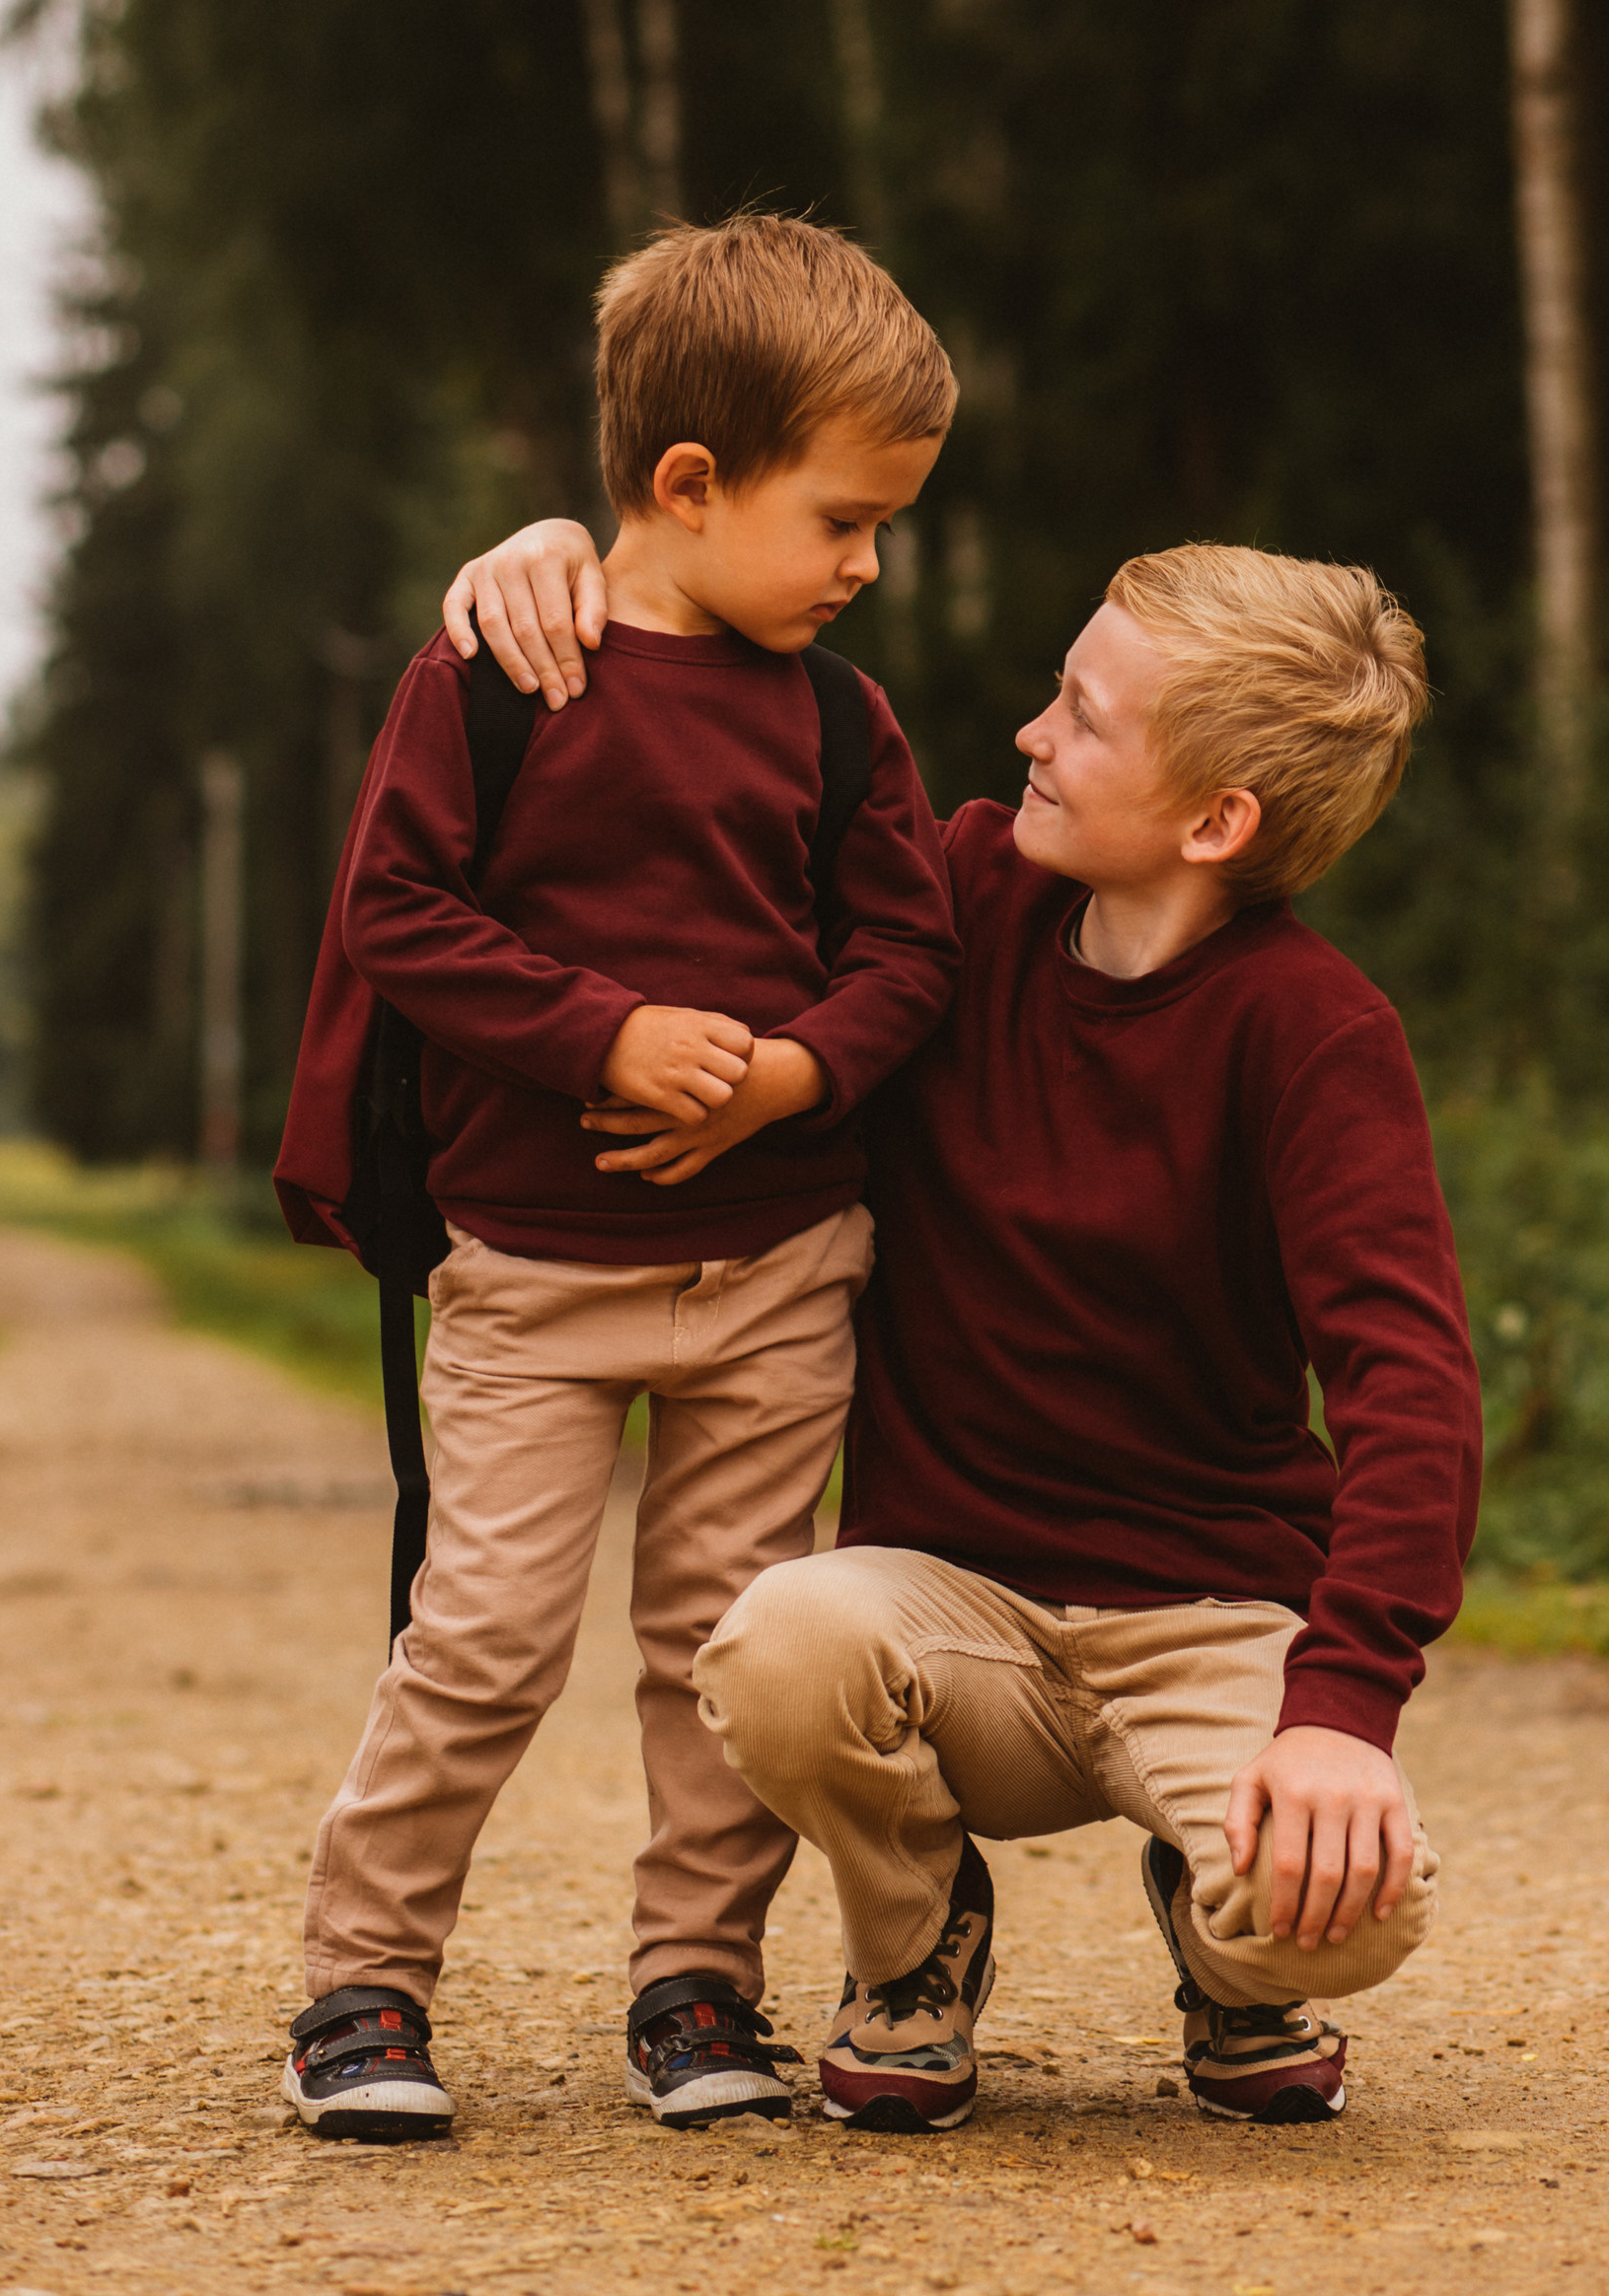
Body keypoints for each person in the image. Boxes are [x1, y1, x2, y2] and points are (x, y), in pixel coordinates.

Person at [443, 522, 1483, 2135]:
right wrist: (595, 556)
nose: (1027, 737)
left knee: (1352, 1910)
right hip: (948, 1619)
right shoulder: (958, 900)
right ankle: (918, 1948)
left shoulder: (1315, 1034)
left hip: (1209, 1617)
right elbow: (691, 847)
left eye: (1080, 714)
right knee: (775, 1639)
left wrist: (1340, 1717)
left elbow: (1409, 1389)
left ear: (1215, 819)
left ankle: (1232, 1960)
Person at [272, 215, 961, 2140]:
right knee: (482, 1636)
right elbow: (394, 909)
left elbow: (910, 956)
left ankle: (693, 1980)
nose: (866, 563)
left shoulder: (840, 718)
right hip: (531, 1274)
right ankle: (364, 1977)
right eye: (841, 517)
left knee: (721, 1652)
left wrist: (793, 1076)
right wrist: (603, 1034)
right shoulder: (500, 675)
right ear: (688, 483)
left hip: (775, 1265)